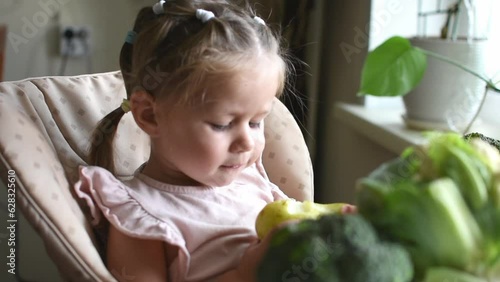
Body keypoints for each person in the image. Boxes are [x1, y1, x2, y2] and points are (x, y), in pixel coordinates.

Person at [74, 0, 353, 281]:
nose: (246, 142)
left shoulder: (250, 181)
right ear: (150, 115)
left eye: (256, 122)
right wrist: (245, 272)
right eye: (222, 124)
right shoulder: (140, 216)